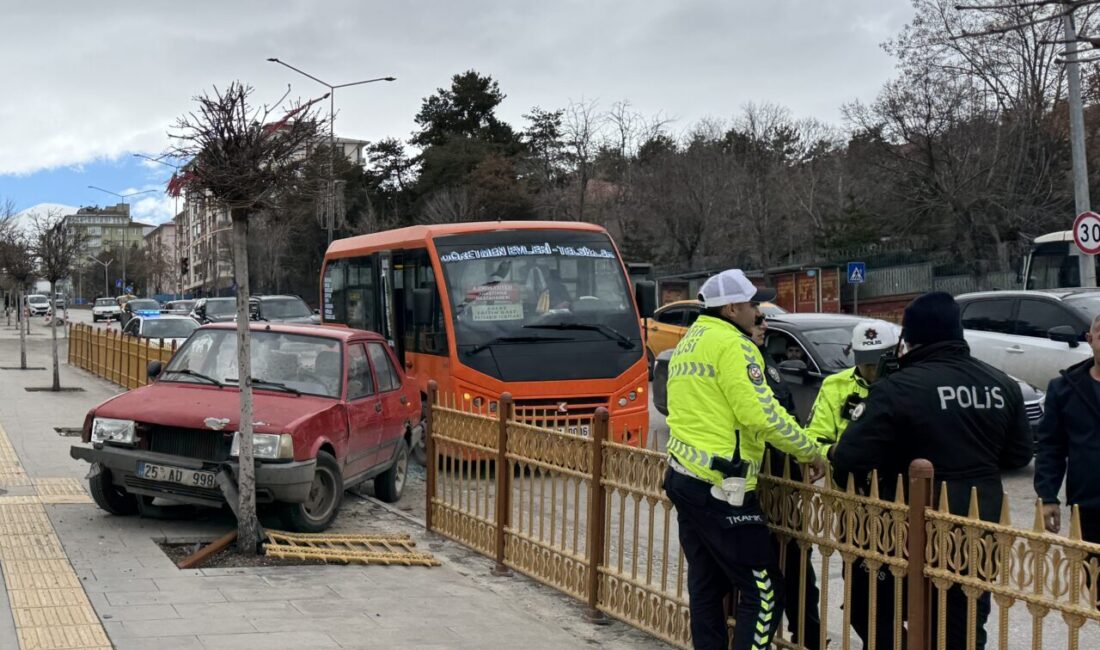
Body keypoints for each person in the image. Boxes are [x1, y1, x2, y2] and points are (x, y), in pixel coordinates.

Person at [828, 292, 1032, 650]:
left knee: (875, 612)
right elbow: (1018, 455)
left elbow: (849, 458)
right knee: (962, 626)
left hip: (903, 531)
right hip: (975, 526)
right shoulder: (1002, 384)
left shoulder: (897, 388)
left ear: (909, 337)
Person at [663, 268, 827, 650]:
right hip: (723, 486)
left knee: (706, 586)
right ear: (732, 307)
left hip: (685, 477)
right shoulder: (735, 346)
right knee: (764, 591)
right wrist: (809, 449)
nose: (758, 311)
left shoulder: (690, 342)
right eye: (753, 304)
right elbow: (760, 413)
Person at [804, 319, 897, 648]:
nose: (872, 372)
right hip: (853, 504)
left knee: (906, 597)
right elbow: (813, 438)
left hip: (902, 504)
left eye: (878, 363)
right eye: (865, 364)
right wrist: (837, 453)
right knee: (862, 599)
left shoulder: (907, 384)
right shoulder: (836, 386)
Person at [753, 318, 823, 649]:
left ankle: (808, 639)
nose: (763, 323)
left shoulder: (765, 361)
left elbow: (789, 418)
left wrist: (801, 459)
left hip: (783, 486)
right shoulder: (739, 361)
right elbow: (766, 421)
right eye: (756, 315)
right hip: (753, 487)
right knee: (758, 578)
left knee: (797, 570)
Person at [1035, 313, 1100, 542]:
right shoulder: (1065, 389)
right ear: (1090, 339)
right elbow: (1051, 447)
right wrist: (1047, 495)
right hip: (1090, 505)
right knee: (1092, 574)